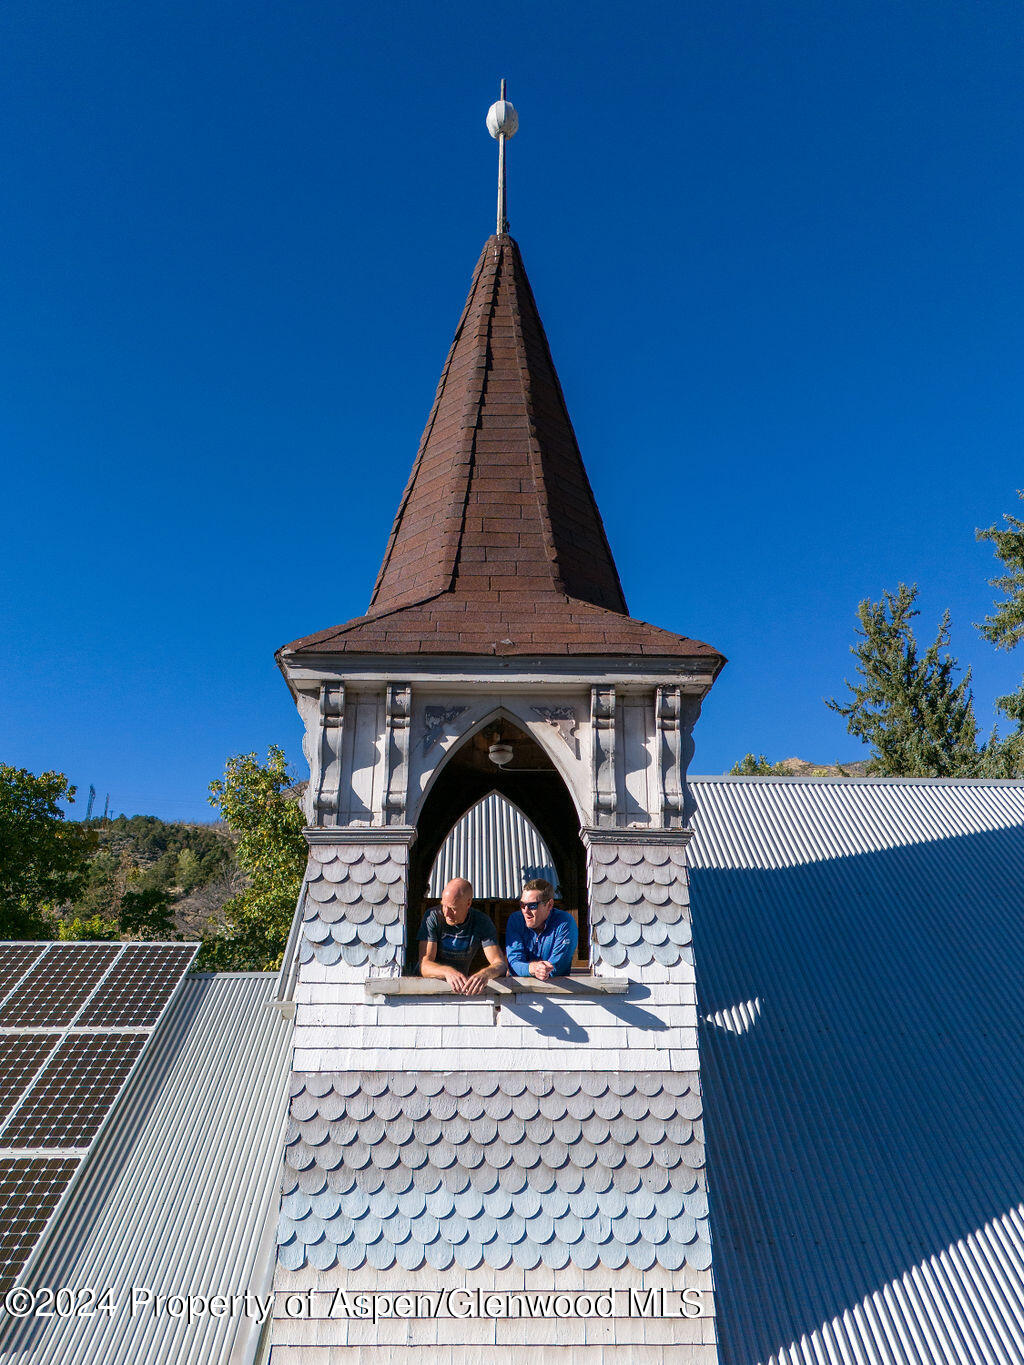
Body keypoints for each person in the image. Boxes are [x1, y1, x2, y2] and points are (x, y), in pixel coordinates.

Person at [417, 877, 507, 995]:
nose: (446, 913)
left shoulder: (481, 921)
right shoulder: (432, 917)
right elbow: (424, 965)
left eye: (452, 909)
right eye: (443, 905)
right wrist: (447, 971)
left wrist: (484, 974)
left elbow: (500, 964)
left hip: (459, 989)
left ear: (468, 903)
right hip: (427, 988)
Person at [504, 878, 578, 979]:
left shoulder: (564, 922)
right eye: (522, 905)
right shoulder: (515, 920)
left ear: (549, 905)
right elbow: (514, 963)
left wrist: (533, 970)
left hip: (557, 987)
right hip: (520, 987)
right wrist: (534, 968)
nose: (526, 910)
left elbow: (557, 968)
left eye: (532, 906)